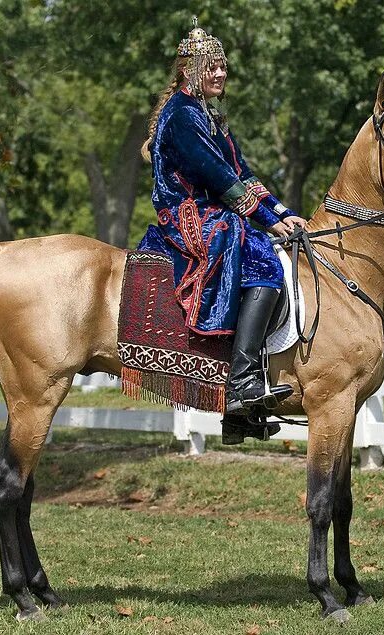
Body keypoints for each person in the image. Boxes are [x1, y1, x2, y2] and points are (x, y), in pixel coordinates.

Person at [138, 18, 306, 416]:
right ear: (187, 70)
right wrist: (267, 222)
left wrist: (285, 213)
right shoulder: (183, 115)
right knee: (263, 257)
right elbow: (222, 179)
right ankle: (242, 381)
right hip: (184, 214)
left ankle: (244, 403)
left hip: (208, 207)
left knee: (257, 240)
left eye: (222, 65)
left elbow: (243, 173)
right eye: (210, 66)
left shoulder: (211, 115)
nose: (220, 72)